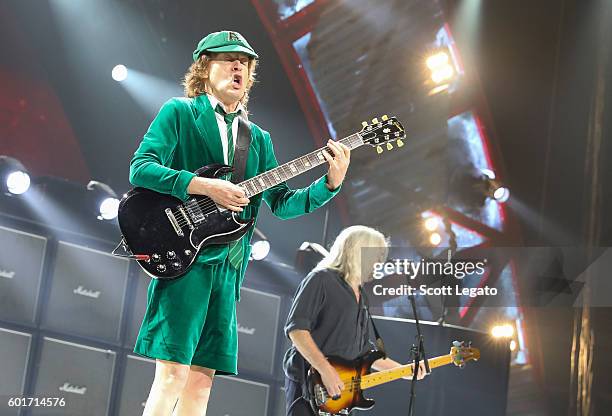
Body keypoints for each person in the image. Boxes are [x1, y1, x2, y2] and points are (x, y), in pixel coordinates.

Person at [129, 31, 350, 416]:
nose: (238, 67)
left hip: (230, 267)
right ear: (203, 67)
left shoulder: (258, 139)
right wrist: (202, 186)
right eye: (228, 58)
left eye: (245, 63)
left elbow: (282, 203)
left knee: (200, 387)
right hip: (186, 261)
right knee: (170, 377)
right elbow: (141, 168)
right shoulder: (179, 112)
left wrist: (330, 183)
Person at [283, 226, 428, 416]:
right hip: (311, 385)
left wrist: (403, 371)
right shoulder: (321, 279)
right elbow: (297, 330)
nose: (379, 261)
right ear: (356, 251)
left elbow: (362, 351)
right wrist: (325, 370)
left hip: (341, 395)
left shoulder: (362, 295)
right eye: (374, 254)